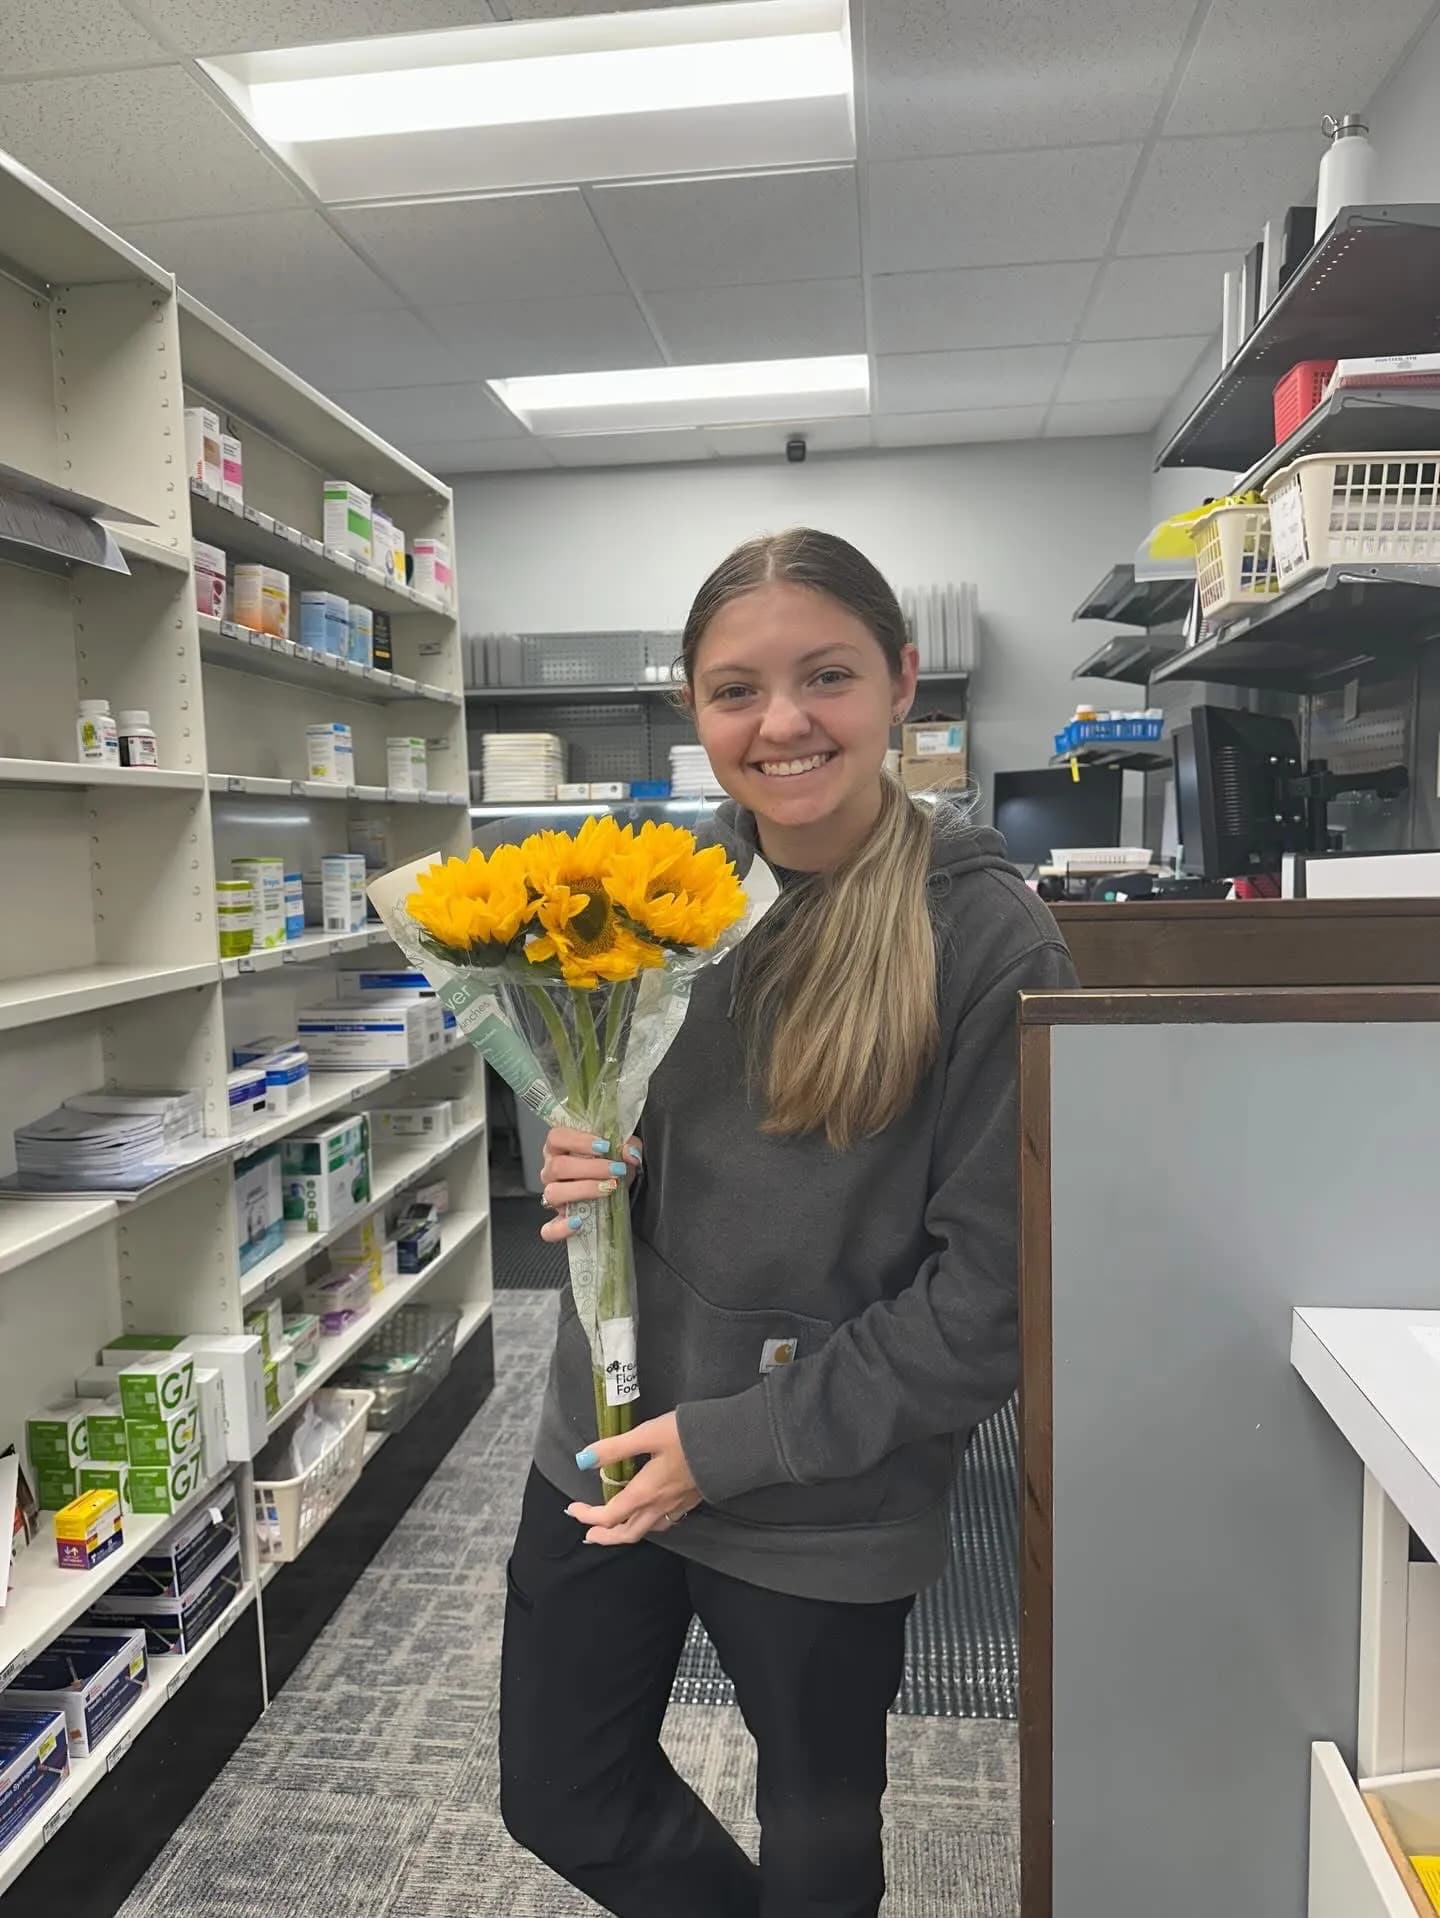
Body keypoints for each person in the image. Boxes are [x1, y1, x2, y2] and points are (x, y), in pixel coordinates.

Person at [499, 527, 1077, 1917]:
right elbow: (575, 1116)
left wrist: (734, 1442)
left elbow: (990, 1301)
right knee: (560, 1793)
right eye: (734, 690)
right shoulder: (646, 906)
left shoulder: (988, 937)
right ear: (693, 710)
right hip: (605, 1439)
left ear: (900, 682)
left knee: (821, 1833)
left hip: (822, 1485)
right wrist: (570, 1149)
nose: (783, 722)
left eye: (825, 675)